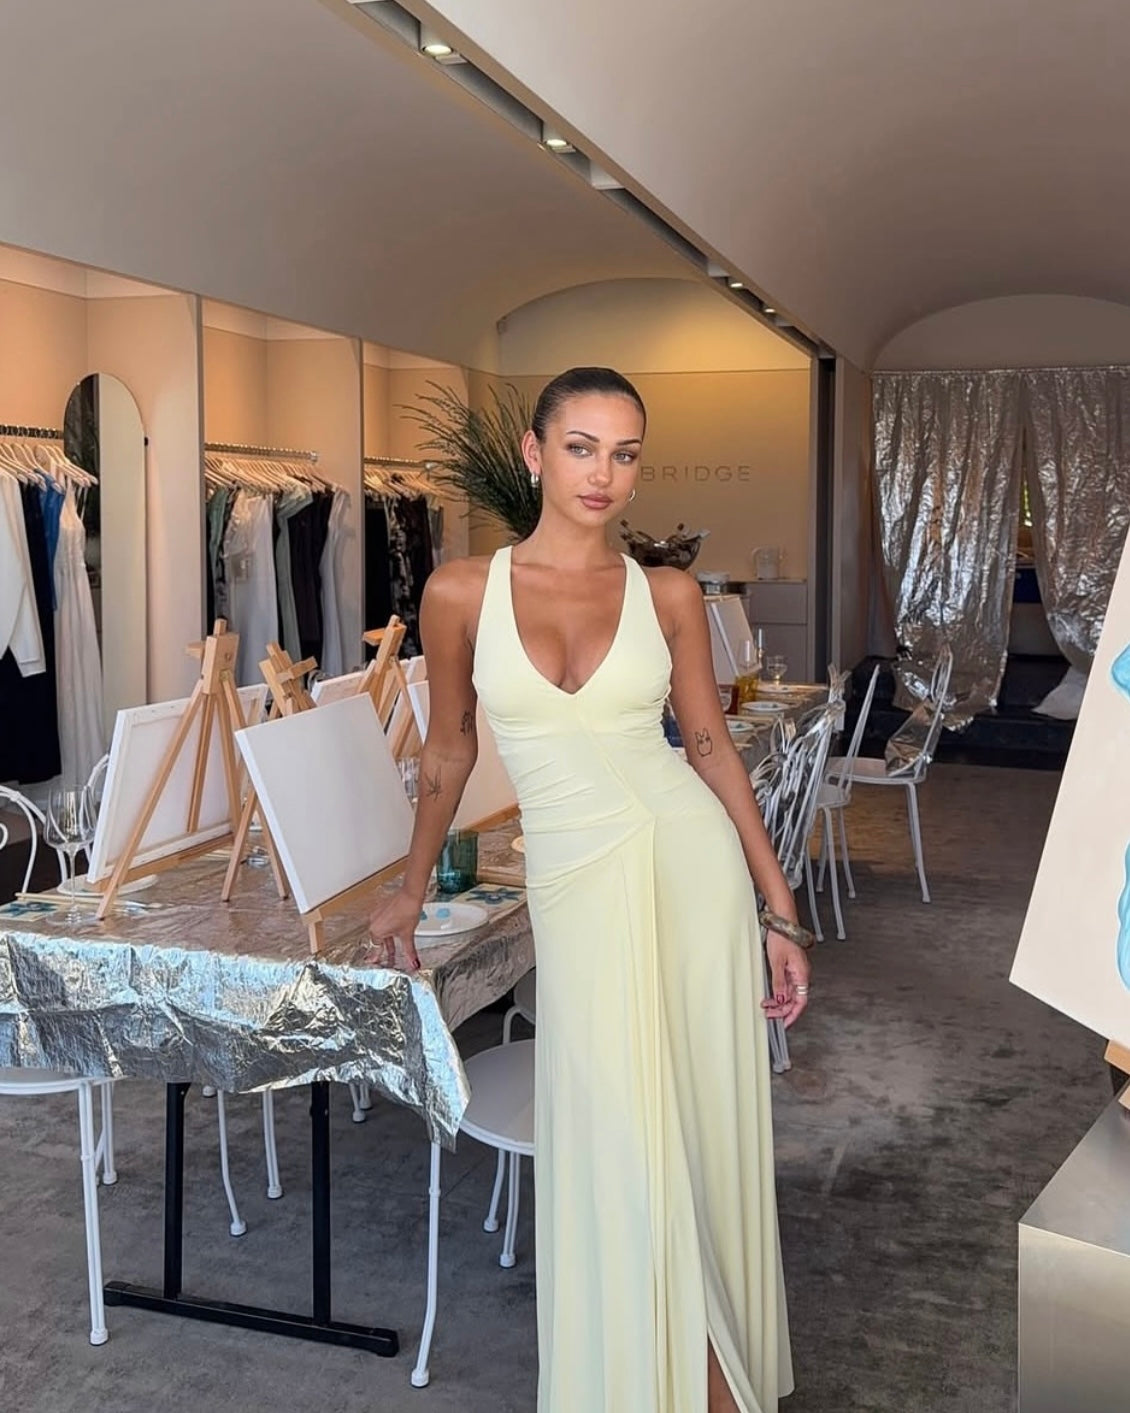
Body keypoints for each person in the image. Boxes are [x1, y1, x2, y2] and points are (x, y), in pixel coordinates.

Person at [368, 366, 810, 1412]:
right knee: (615, 1137)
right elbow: (447, 753)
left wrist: (777, 909)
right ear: (535, 454)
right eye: (580, 447)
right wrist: (409, 888)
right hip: (577, 885)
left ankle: (711, 1385)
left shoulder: (665, 595)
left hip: (690, 871)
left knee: (689, 1132)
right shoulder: (460, 592)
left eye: (623, 453)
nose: (602, 473)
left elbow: (709, 748)